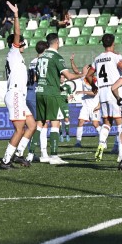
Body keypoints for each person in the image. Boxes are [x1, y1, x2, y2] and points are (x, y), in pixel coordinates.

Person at [34, 33, 89, 165]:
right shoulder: (56, 56)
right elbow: (69, 76)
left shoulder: (40, 58)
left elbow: (36, 77)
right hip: (52, 93)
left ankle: (32, 154)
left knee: (40, 124)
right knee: (55, 123)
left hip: (39, 91)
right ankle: (53, 156)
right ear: (57, 42)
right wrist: (82, 74)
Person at [0, 2, 36, 169]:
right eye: (22, 42)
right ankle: (6, 160)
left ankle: (19, 154)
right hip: (14, 94)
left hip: (19, 95)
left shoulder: (17, 57)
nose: (23, 44)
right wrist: (16, 15)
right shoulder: (13, 52)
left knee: (32, 125)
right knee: (19, 129)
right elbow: (17, 33)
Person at [92, 33, 122, 161]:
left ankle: (102, 143)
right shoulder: (115, 57)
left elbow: (89, 74)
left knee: (107, 122)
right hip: (114, 91)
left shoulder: (97, 58)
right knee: (120, 123)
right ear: (113, 43)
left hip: (102, 92)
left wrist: (94, 86)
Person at [74, 66, 100, 148]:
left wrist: (83, 92)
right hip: (85, 105)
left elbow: (94, 93)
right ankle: (78, 142)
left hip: (94, 106)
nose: (83, 69)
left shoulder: (96, 80)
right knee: (80, 121)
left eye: (85, 68)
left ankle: (103, 140)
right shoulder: (84, 78)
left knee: (95, 124)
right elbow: (76, 71)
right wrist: (72, 61)